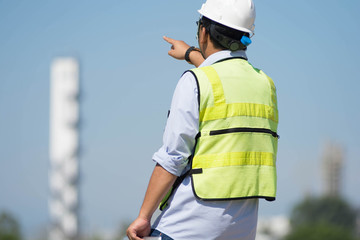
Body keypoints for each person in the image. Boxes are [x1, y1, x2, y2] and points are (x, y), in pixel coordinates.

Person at [126, 0, 279, 239]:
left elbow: (173, 157)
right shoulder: (265, 84)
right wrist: (191, 54)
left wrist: (144, 217)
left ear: (204, 31)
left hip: (187, 225)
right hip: (242, 229)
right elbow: (226, 79)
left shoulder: (194, 82)